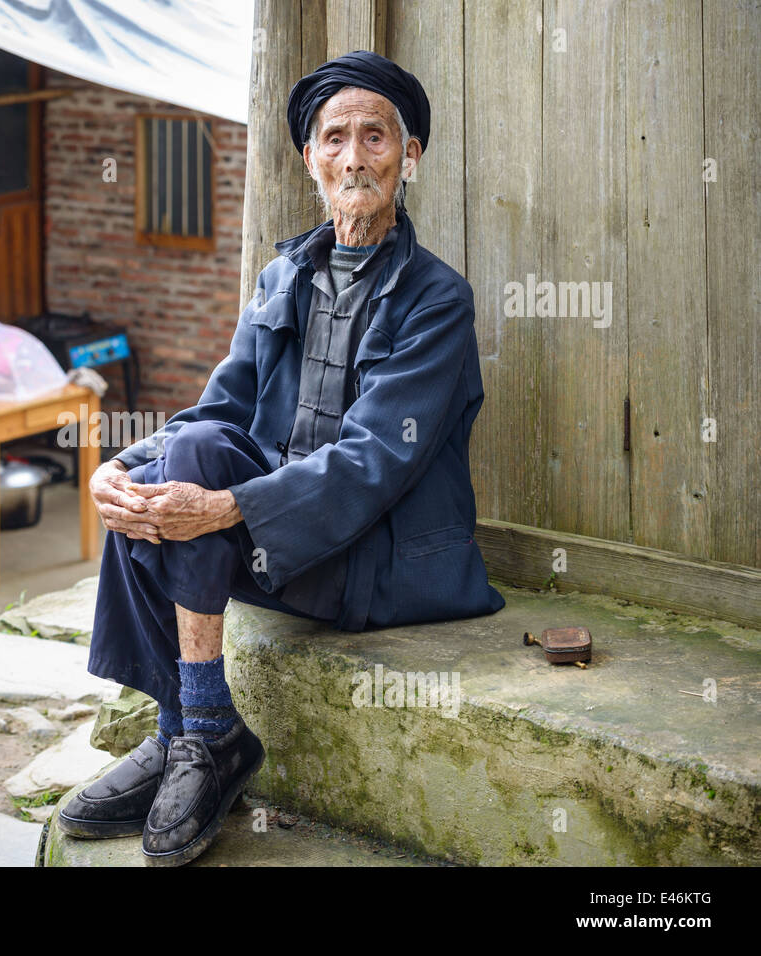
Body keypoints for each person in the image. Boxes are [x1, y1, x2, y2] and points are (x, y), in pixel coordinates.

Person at [57, 50, 506, 866]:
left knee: (196, 486)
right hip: (274, 545)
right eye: (335, 136)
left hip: (371, 559)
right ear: (311, 159)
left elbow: (374, 462)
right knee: (177, 457)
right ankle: (197, 728)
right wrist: (116, 469)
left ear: (409, 159)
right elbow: (218, 414)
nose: (354, 154)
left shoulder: (437, 299)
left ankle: (184, 733)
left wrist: (227, 509)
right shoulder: (282, 276)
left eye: (377, 136)